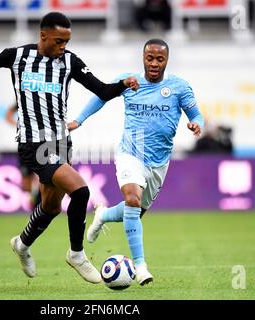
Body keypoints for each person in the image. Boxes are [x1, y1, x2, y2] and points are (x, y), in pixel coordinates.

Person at [0, 12, 139, 284]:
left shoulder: (69, 62)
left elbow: (101, 90)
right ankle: (77, 253)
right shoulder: (16, 57)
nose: (63, 47)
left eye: (67, 41)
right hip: (33, 144)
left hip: (61, 142)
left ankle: (22, 244)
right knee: (81, 191)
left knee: (51, 206)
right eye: (59, 41)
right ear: (43, 36)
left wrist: (122, 86)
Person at [68, 39, 204, 285]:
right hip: (131, 151)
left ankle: (104, 215)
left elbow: (196, 114)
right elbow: (101, 96)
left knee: (135, 211)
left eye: (159, 59)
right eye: (149, 58)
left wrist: (197, 124)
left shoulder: (179, 87)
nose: (153, 63)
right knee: (132, 198)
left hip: (159, 161)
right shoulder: (129, 81)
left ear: (166, 60)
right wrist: (79, 120)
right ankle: (140, 266)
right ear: (143, 58)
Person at [5, 103, 41, 209]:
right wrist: (19, 126)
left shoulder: (43, 99)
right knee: (26, 183)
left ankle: (38, 203)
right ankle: (33, 198)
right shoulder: (22, 98)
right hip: (25, 145)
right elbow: (8, 115)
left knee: (43, 176)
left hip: (41, 144)